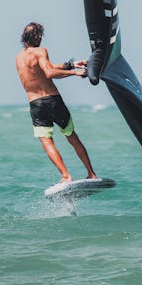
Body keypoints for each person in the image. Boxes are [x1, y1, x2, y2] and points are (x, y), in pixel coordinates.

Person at [15, 22, 97, 183]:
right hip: (53, 100)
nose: (41, 38)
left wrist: (71, 64)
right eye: (40, 35)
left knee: (46, 141)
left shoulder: (19, 57)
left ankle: (65, 176)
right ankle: (91, 174)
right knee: (71, 136)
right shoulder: (40, 51)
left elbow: (45, 67)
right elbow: (49, 71)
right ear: (37, 36)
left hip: (36, 104)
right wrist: (75, 72)